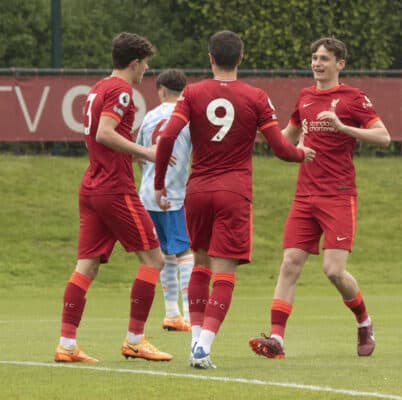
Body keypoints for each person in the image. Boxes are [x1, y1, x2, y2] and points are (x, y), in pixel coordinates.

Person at [153, 30, 316, 369]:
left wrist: (159, 182)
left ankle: (195, 341)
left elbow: (168, 135)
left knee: (198, 264)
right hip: (234, 192)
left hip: (197, 191)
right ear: (240, 58)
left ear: (210, 58)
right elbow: (282, 149)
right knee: (224, 271)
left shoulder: (192, 93)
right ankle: (204, 347)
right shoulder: (256, 96)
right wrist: (302, 154)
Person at [248, 37, 391, 359]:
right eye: (314, 57)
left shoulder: (353, 98)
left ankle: (363, 321)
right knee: (289, 264)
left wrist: (344, 127)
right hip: (304, 195)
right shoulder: (305, 96)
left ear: (340, 64)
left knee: (333, 271)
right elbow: (287, 137)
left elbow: (384, 137)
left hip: (338, 195)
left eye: (324, 58)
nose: (317, 63)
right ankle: (276, 339)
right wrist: (258, 138)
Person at [54, 32, 172, 363]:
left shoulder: (98, 88)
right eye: (145, 64)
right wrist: (146, 153)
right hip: (114, 188)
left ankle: (66, 345)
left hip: (92, 185)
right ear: (134, 63)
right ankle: (135, 340)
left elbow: (100, 138)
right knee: (154, 260)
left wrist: (130, 155)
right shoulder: (121, 91)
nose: (146, 70)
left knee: (86, 266)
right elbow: (105, 133)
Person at [136, 69, 193, 332]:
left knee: (164, 254)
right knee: (185, 252)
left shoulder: (149, 117)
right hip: (173, 195)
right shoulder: (188, 116)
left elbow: (138, 154)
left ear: (160, 90)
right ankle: (192, 315)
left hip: (146, 194)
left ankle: (172, 313)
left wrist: (148, 180)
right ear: (184, 90)